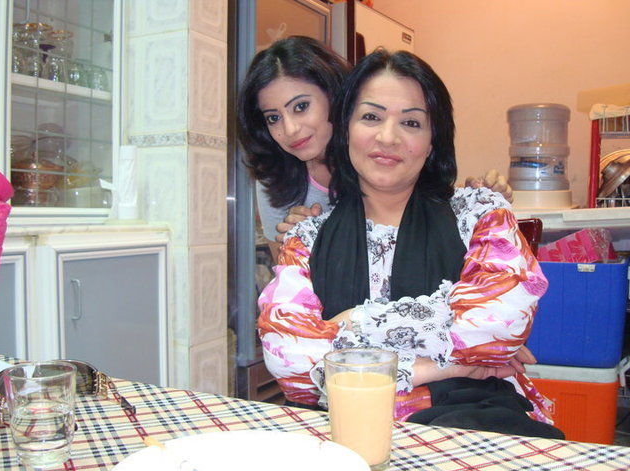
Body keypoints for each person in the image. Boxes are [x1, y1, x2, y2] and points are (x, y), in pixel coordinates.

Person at [257, 49, 562, 438]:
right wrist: (444, 365)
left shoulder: (479, 215)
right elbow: (291, 364)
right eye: (371, 117)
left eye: (411, 122)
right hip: (345, 424)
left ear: (433, 141)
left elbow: (495, 331)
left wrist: (349, 322)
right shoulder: (306, 236)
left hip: (473, 417)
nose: (388, 137)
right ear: (345, 129)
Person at [237, 36, 512, 259]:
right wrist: (299, 245)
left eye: (301, 107)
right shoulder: (276, 179)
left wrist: (475, 205)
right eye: (273, 118)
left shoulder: (379, 158)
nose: (290, 129)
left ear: (335, 97)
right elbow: (289, 286)